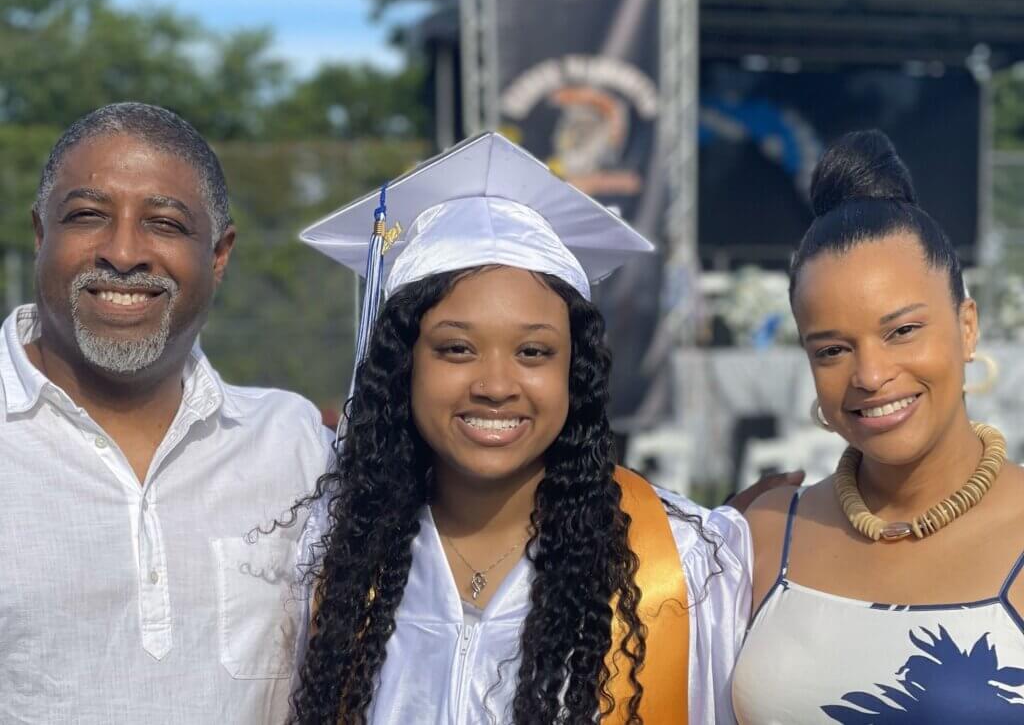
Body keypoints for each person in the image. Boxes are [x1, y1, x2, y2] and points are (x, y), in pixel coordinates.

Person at [290, 132, 752, 723]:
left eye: (534, 352)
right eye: (456, 349)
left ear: (573, 373)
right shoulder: (334, 556)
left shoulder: (684, 564)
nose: (496, 384)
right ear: (403, 365)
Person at [0, 103, 330, 723]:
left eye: (166, 224)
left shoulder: (294, 448)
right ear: (41, 236)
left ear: (220, 254)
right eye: (88, 216)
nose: (124, 253)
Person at [733, 130, 1024, 723]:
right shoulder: (760, 534)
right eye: (832, 349)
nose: (870, 374)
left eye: (903, 331)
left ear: (967, 327)